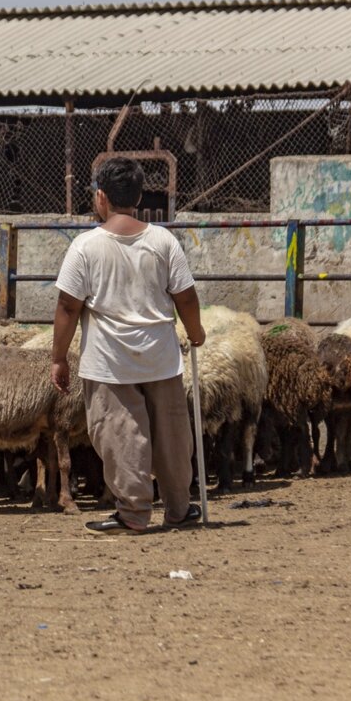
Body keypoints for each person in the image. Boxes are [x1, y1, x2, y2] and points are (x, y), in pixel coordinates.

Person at [51, 157, 206, 533]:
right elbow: (185, 295)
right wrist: (195, 330)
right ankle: (179, 508)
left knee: (121, 433)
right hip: (161, 357)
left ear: (101, 196)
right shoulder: (163, 240)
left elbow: (68, 305)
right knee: (172, 434)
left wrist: (58, 357)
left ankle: (134, 512)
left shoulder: (85, 246)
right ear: (138, 196)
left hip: (110, 361)